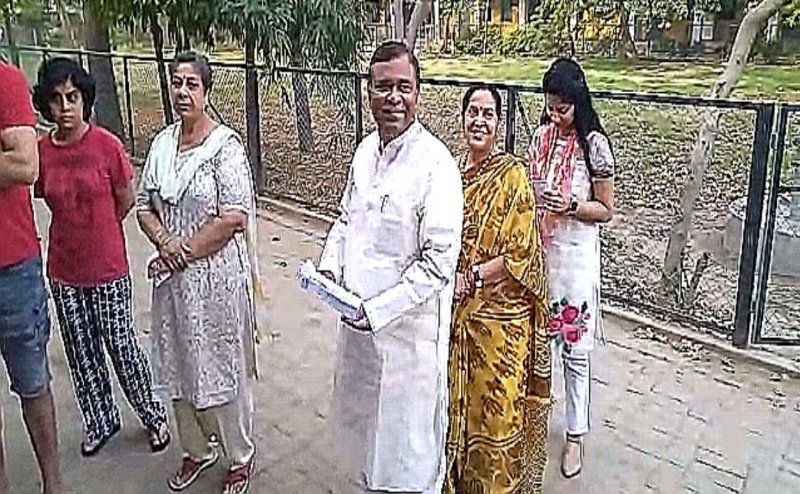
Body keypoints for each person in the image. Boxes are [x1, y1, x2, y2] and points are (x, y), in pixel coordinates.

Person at [317, 40, 463, 494]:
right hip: (359, 334)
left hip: (408, 344)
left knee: (407, 455)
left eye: (404, 87)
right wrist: (329, 269)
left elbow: (438, 264)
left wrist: (378, 310)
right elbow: (347, 219)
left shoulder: (436, 166)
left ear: (418, 93)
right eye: (383, 87)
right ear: (369, 91)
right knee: (365, 444)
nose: (393, 98)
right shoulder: (365, 152)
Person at [136, 51, 261, 494]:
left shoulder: (224, 148)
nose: (182, 92)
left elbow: (233, 217)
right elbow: (144, 205)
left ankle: (239, 455)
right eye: (176, 83)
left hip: (215, 282)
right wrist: (165, 242)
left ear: (206, 92)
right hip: (173, 284)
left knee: (222, 367)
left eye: (192, 84)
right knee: (179, 365)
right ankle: (196, 448)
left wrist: (182, 251)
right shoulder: (162, 145)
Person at [32, 57, 170, 457]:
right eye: (56, 99)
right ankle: (100, 419)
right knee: (81, 351)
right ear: (47, 104)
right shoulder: (42, 152)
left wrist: (100, 230)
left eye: (72, 97)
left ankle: (152, 415)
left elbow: (125, 200)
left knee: (122, 345)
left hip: (108, 267)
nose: (65, 107)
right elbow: (41, 193)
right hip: (64, 270)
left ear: (85, 99)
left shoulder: (107, 146)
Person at [444, 85, 551, 494]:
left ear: (498, 123)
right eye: (472, 112)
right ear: (463, 118)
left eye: (487, 114)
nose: (479, 121)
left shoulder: (513, 177)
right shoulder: (450, 175)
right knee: (455, 413)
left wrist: (471, 278)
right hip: (457, 317)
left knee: (498, 416)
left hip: (502, 326)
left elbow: (520, 254)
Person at [528, 58, 615, 479]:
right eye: (550, 107)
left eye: (562, 109)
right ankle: (533, 419)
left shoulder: (594, 145)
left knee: (575, 352)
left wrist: (573, 206)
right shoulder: (542, 137)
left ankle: (575, 435)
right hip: (541, 255)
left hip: (575, 261)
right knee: (537, 348)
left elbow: (606, 209)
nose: (555, 116)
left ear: (579, 102)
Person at [0, 56, 63, 494]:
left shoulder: (5, 80)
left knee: (33, 383)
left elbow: (26, 165)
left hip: (12, 269)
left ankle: (52, 484)